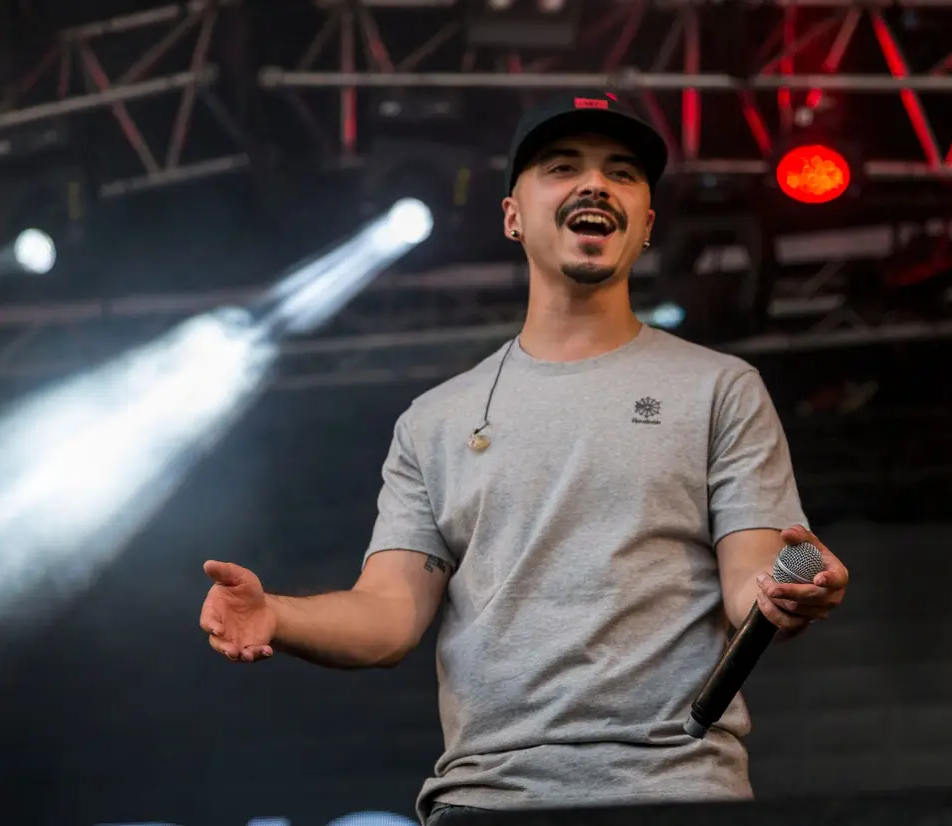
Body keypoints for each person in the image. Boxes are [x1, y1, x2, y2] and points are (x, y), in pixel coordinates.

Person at [199, 93, 850, 825]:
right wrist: (277, 614)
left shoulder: (721, 389)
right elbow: (388, 616)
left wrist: (786, 592)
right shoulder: (434, 421)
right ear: (512, 216)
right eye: (563, 167)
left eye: (622, 173)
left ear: (646, 225)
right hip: (491, 799)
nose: (595, 184)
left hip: (676, 790)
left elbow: (751, 582)